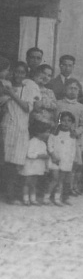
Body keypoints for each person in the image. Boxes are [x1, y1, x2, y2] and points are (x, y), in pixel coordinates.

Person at [0, 61, 40, 203]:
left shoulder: (27, 89)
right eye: (16, 72)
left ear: (25, 74)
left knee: (17, 163)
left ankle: (16, 193)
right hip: (7, 128)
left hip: (21, 129)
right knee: (7, 162)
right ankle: (9, 195)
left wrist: (11, 94)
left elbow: (27, 107)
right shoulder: (4, 87)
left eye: (22, 72)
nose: (18, 75)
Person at [57, 79, 83, 194]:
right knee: (60, 162)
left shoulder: (81, 107)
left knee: (74, 164)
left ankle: (71, 187)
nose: (72, 91)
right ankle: (58, 188)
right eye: (70, 88)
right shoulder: (59, 104)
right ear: (65, 89)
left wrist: (76, 131)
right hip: (60, 137)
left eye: (75, 89)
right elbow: (55, 120)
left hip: (73, 139)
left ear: (79, 91)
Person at [46, 111, 77, 206]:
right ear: (59, 122)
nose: (66, 123)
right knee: (54, 179)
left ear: (72, 123)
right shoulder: (55, 134)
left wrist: (71, 161)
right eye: (63, 120)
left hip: (66, 162)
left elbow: (73, 150)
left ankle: (57, 198)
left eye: (69, 121)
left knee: (61, 181)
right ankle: (46, 197)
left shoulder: (72, 136)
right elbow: (49, 145)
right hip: (55, 160)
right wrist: (53, 155)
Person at [20, 119, 51, 206]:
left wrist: (46, 165)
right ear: (39, 132)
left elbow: (45, 155)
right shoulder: (31, 142)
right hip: (30, 166)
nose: (48, 134)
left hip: (37, 167)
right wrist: (40, 156)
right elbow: (29, 154)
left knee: (33, 183)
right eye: (47, 132)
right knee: (27, 183)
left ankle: (33, 199)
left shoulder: (43, 143)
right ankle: (25, 199)